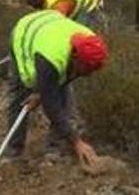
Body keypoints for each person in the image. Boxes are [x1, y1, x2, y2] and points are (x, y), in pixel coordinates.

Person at [7, 9, 108, 166]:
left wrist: (42, 92)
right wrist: (77, 142)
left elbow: (67, 77)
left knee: (62, 96)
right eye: (87, 68)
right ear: (75, 56)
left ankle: (53, 149)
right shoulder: (51, 59)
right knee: (20, 95)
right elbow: (51, 106)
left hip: (51, 26)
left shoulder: (89, 41)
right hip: (24, 32)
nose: (89, 74)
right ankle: (13, 150)